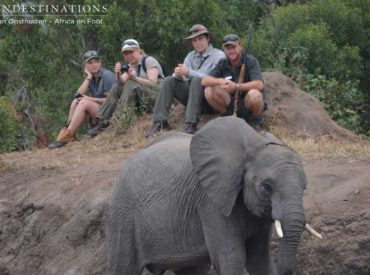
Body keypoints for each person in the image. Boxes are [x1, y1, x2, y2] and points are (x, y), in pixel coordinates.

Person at [144, 24, 225, 137]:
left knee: (197, 80)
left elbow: (210, 79)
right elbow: (183, 75)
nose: (197, 43)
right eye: (194, 40)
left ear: (208, 38)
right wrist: (178, 74)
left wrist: (188, 72)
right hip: (192, 98)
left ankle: (191, 123)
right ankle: (160, 122)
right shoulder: (190, 56)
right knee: (169, 80)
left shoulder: (219, 56)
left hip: (209, 100)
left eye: (200, 39)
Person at [88, 39, 164, 136]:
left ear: (138, 50)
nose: (128, 56)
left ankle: (119, 119)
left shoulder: (148, 60)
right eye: (125, 54)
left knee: (130, 84)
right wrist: (118, 74)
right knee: (117, 86)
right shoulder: (130, 65)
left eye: (131, 52)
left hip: (158, 98)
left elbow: (153, 83)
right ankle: (103, 120)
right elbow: (121, 82)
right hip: (143, 99)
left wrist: (136, 78)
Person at [48, 50, 116, 149]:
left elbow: (112, 100)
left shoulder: (107, 75)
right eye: (90, 63)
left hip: (110, 113)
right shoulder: (92, 77)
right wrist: (88, 77)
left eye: (96, 61)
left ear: (100, 62)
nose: (94, 65)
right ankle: (70, 133)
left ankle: (65, 138)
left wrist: (91, 99)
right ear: (85, 66)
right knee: (76, 101)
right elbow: (78, 95)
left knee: (84, 102)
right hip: (99, 111)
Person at [201, 34, 266, 129]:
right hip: (231, 103)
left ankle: (254, 121)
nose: (231, 51)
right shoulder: (223, 63)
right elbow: (204, 81)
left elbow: (260, 84)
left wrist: (237, 86)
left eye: (233, 47)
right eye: (228, 48)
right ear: (224, 50)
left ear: (240, 46)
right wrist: (221, 81)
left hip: (247, 102)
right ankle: (226, 116)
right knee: (208, 90)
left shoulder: (251, 61)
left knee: (255, 94)